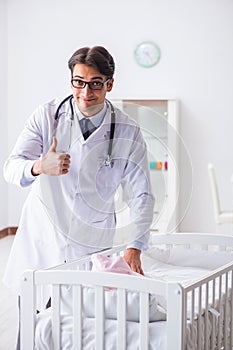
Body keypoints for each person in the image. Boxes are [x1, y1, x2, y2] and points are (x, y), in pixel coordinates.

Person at [3, 46, 155, 349]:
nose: (86, 92)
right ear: (71, 80)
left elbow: (142, 194)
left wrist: (135, 247)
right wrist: (38, 166)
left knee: (82, 336)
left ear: (110, 84)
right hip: (40, 245)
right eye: (78, 82)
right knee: (30, 337)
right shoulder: (47, 116)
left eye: (95, 83)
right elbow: (11, 167)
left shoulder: (127, 130)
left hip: (90, 248)